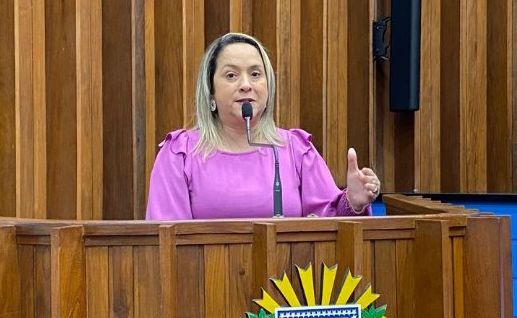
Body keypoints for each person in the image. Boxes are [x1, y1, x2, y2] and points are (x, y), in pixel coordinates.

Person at [145, 32, 381, 220]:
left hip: (285, 279)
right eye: (231, 75)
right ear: (211, 93)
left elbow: (329, 229)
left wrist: (353, 203)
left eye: (256, 74)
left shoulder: (295, 150)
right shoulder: (180, 153)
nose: (246, 85)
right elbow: (165, 240)